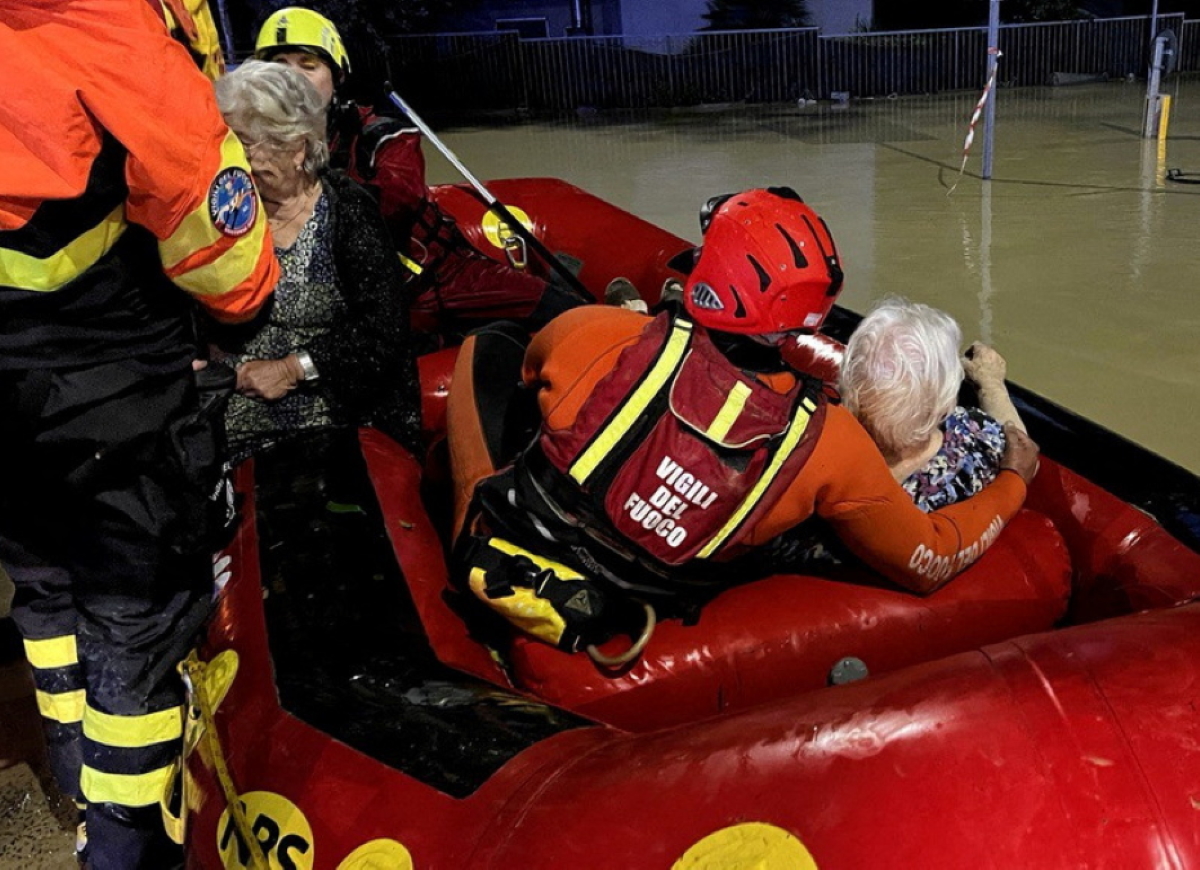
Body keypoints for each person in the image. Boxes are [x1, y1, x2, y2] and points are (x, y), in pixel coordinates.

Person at [445, 188, 1040, 654]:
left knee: (489, 344)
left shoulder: (594, 332)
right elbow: (929, 559)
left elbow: (527, 372)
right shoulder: (830, 441)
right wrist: (1014, 477)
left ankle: (465, 524)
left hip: (519, 548)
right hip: (641, 601)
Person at [0, 1, 278, 867]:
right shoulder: (114, 39)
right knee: (135, 625)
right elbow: (230, 272)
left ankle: (70, 773)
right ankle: (122, 846)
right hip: (101, 390)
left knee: (43, 588)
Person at [253, 7, 585, 338]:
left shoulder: (383, 136)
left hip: (441, 276)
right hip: (364, 297)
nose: (291, 79)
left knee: (557, 309)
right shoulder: (246, 150)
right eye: (278, 67)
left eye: (307, 65)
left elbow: (397, 202)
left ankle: (590, 302)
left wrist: (303, 183)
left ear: (338, 76)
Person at [211, 60, 421, 460]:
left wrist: (292, 369)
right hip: (226, 413)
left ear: (298, 147)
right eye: (228, 143)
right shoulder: (224, 208)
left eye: (246, 143)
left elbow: (383, 335)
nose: (235, 160)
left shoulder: (347, 212)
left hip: (330, 418)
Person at [839, 298, 1027, 512]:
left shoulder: (825, 446)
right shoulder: (972, 449)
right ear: (944, 402)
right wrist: (991, 384)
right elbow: (1022, 451)